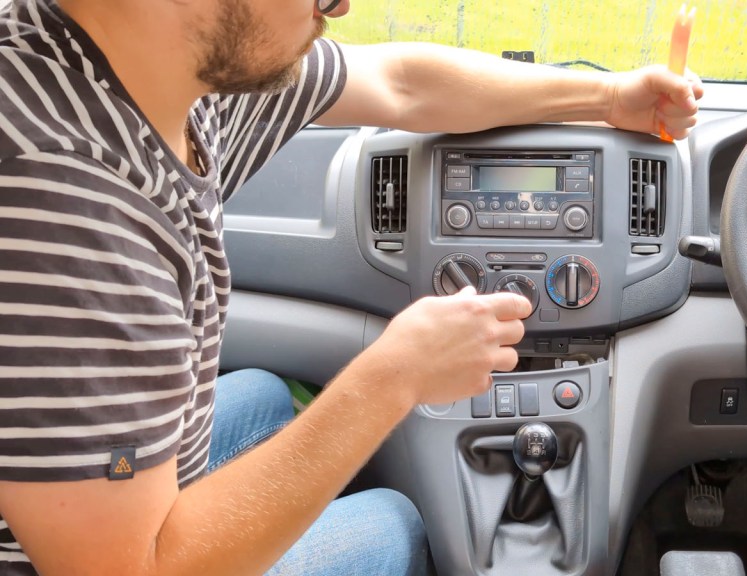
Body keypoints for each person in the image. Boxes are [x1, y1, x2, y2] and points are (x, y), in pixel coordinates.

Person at [0, 0, 703, 574]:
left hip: (93, 495)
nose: (339, 7)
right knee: (393, 524)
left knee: (270, 395)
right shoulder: (68, 204)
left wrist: (609, 97)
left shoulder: (159, 69)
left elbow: (402, 84)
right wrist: (393, 377)